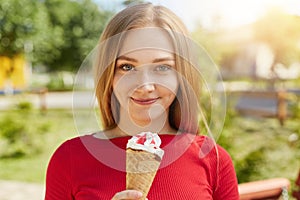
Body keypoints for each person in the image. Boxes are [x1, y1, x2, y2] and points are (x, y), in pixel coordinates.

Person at [45, 2, 239, 200]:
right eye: (127, 67)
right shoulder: (69, 159)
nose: (145, 86)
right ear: (108, 75)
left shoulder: (213, 160)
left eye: (162, 67)